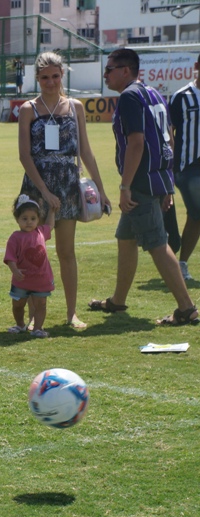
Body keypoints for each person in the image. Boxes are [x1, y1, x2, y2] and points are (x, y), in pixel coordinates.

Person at [89, 48, 198, 326]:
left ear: (125, 70)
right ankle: (118, 300)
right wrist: (167, 185)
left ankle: (186, 309)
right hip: (156, 179)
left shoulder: (129, 97)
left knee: (157, 244)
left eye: (109, 69)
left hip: (141, 183)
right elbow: (169, 140)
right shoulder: (153, 93)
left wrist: (125, 186)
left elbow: (136, 143)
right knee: (126, 239)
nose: (105, 74)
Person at [18, 51, 111, 329]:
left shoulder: (75, 107)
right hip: (37, 187)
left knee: (66, 252)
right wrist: (44, 192)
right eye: (45, 77)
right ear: (37, 78)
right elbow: (24, 155)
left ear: (62, 76)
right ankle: (34, 317)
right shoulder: (28, 109)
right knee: (34, 252)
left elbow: (86, 152)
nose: (51, 82)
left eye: (55, 76)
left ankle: (71, 314)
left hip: (68, 185)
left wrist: (101, 189)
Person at [4, 195, 56, 338]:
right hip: (22, 280)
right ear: (17, 219)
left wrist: (52, 211)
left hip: (41, 279)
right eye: (24, 218)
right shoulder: (15, 237)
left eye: (33, 218)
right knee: (18, 305)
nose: (29, 222)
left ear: (38, 219)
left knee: (41, 305)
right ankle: (20, 325)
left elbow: (50, 225)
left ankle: (37, 328)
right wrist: (15, 270)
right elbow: (10, 258)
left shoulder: (41, 232)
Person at [169, 54, 200, 281]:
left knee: (196, 215)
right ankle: (179, 263)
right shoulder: (182, 96)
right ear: (197, 66)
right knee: (197, 214)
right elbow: (169, 132)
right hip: (189, 165)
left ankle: (179, 262)